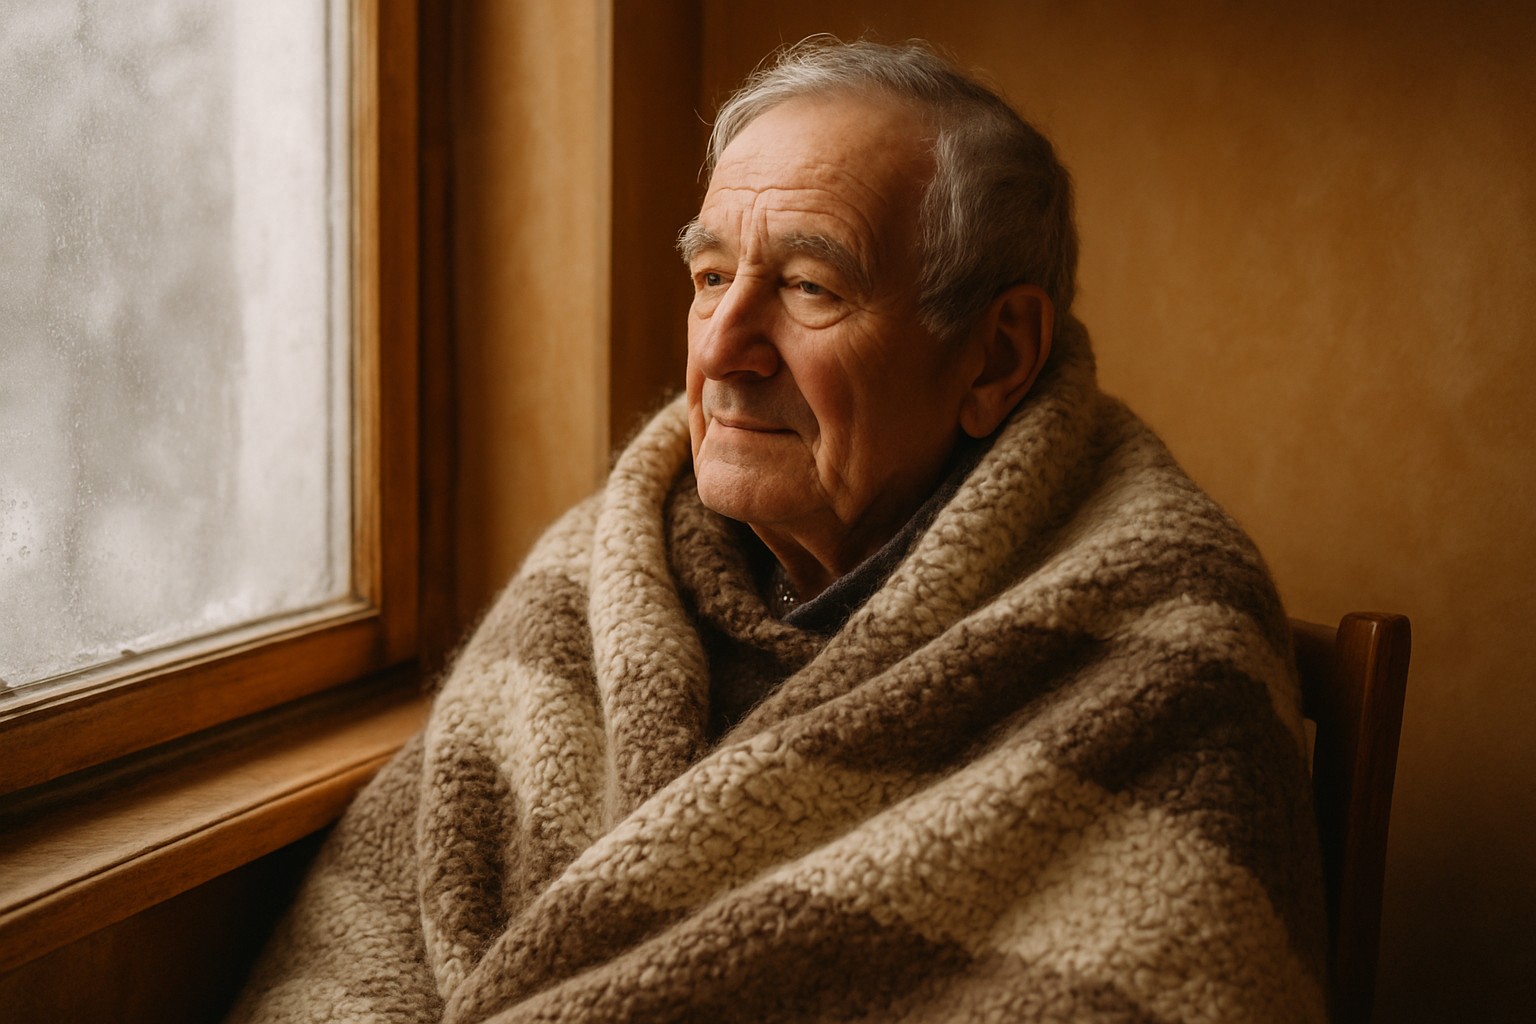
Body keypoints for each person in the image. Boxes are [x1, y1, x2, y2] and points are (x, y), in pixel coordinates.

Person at [229, 39, 1327, 1024]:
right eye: (711, 279)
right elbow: (362, 940)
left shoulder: (1162, 633)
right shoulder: (601, 565)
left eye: (807, 286)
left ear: (995, 357)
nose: (723, 348)